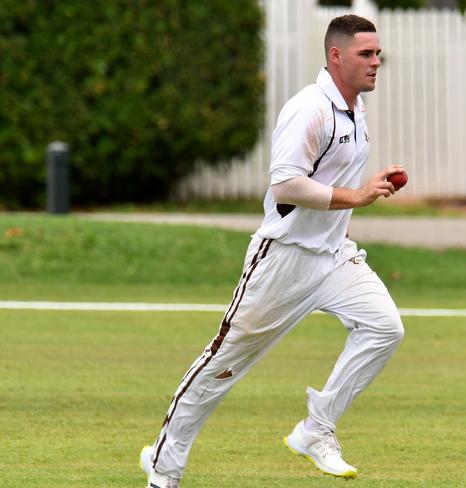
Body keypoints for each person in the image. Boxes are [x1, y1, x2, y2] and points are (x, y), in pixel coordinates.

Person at [140, 14, 405, 487]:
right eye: (366, 53)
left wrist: (363, 194)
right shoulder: (310, 108)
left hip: (333, 257)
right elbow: (285, 184)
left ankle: (315, 429)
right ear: (336, 56)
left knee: (384, 328)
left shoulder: (354, 110)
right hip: (283, 259)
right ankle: (163, 468)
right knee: (223, 364)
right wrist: (357, 197)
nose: (376, 61)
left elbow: (333, 180)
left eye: (377, 52)